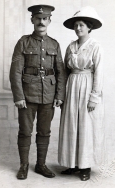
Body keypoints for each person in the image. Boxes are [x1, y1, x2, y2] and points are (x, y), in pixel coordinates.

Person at [10, 4, 66, 180]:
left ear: (49, 21)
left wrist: (59, 95)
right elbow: (16, 71)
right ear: (32, 20)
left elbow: (60, 72)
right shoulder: (23, 42)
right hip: (27, 96)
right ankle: (24, 165)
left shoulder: (54, 44)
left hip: (48, 96)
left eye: (44, 19)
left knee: (44, 132)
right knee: (25, 131)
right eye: (38, 18)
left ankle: (40, 165)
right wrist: (18, 96)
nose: (41, 21)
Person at [58, 6, 104, 181]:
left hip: (87, 85)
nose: (78, 28)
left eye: (82, 25)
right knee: (71, 125)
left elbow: (99, 73)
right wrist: (62, 94)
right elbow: (64, 71)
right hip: (72, 87)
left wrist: (94, 97)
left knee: (85, 126)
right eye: (76, 25)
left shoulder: (95, 47)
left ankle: (85, 166)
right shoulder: (70, 46)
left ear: (89, 27)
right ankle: (72, 164)